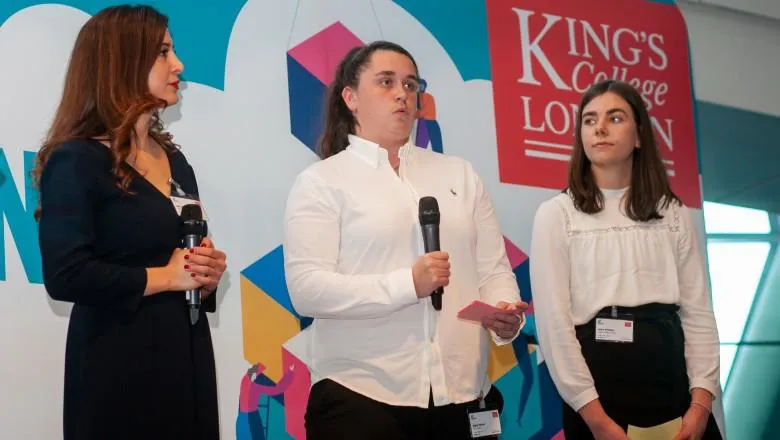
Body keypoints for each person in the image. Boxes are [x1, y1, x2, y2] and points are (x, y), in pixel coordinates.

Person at [282, 40, 528, 440]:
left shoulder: (459, 174)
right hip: (362, 396)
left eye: (411, 85)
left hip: (463, 396)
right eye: (386, 82)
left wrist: (504, 312)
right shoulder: (323, 181)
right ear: (351, 98)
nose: (402, 94)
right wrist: (406, 284)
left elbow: (493, 269)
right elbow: (308, 290)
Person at [34, 5, 226, 439]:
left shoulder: (175, 161)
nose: (178, 65)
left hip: (186, 353)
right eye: (163, 52)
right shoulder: (77, 160)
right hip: (117, 363)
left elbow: (184, 260)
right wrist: (167, 277)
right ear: (121, 61)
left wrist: (205, 274)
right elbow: (66, 275)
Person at [530, 79, 722, 440]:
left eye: (614, 117)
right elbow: (555, 329)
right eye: (589, 120)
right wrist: (596, 419)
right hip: (599, 400)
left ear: (638, 136)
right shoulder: (556, 215)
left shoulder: (674, 213)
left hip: (674, 389)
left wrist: (700, 407)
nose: (599, 128)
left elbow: (698, 315)